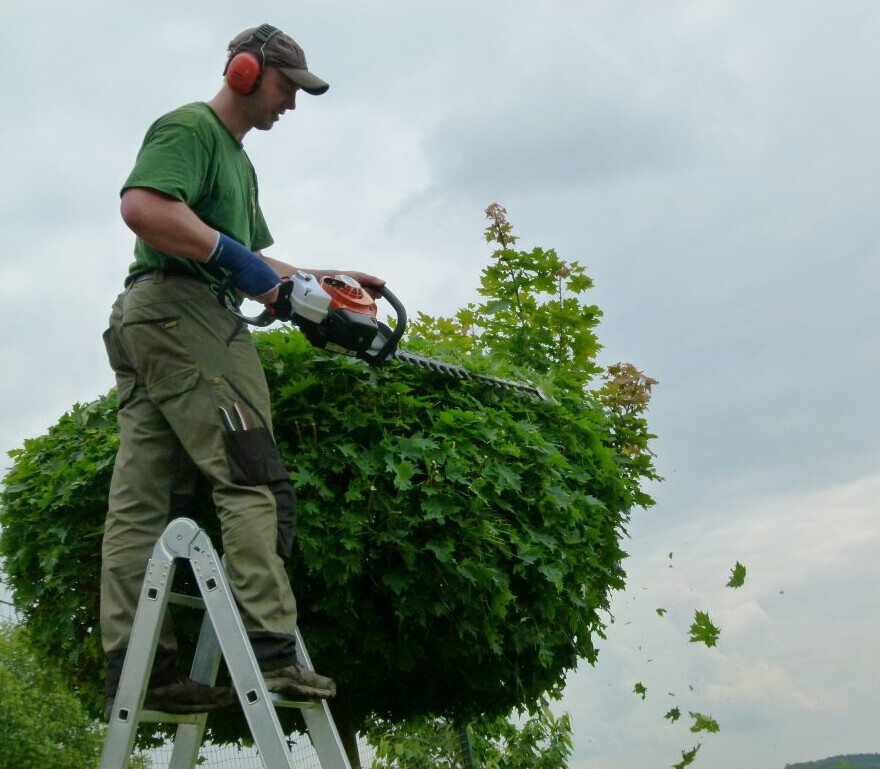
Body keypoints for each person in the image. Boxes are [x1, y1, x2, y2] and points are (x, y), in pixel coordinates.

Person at [100, 23, 384, 717]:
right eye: (288, 88)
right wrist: (248, 272)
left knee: (143, 496)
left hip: (149, 319)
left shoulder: (240, 164)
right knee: (252, 470)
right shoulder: (191, 129)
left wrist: (327, 280)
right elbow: (143, 208)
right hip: (184, 310)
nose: (291, 104)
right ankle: (271, 648)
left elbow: (254, 265)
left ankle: (142, 666)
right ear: (247, 74)